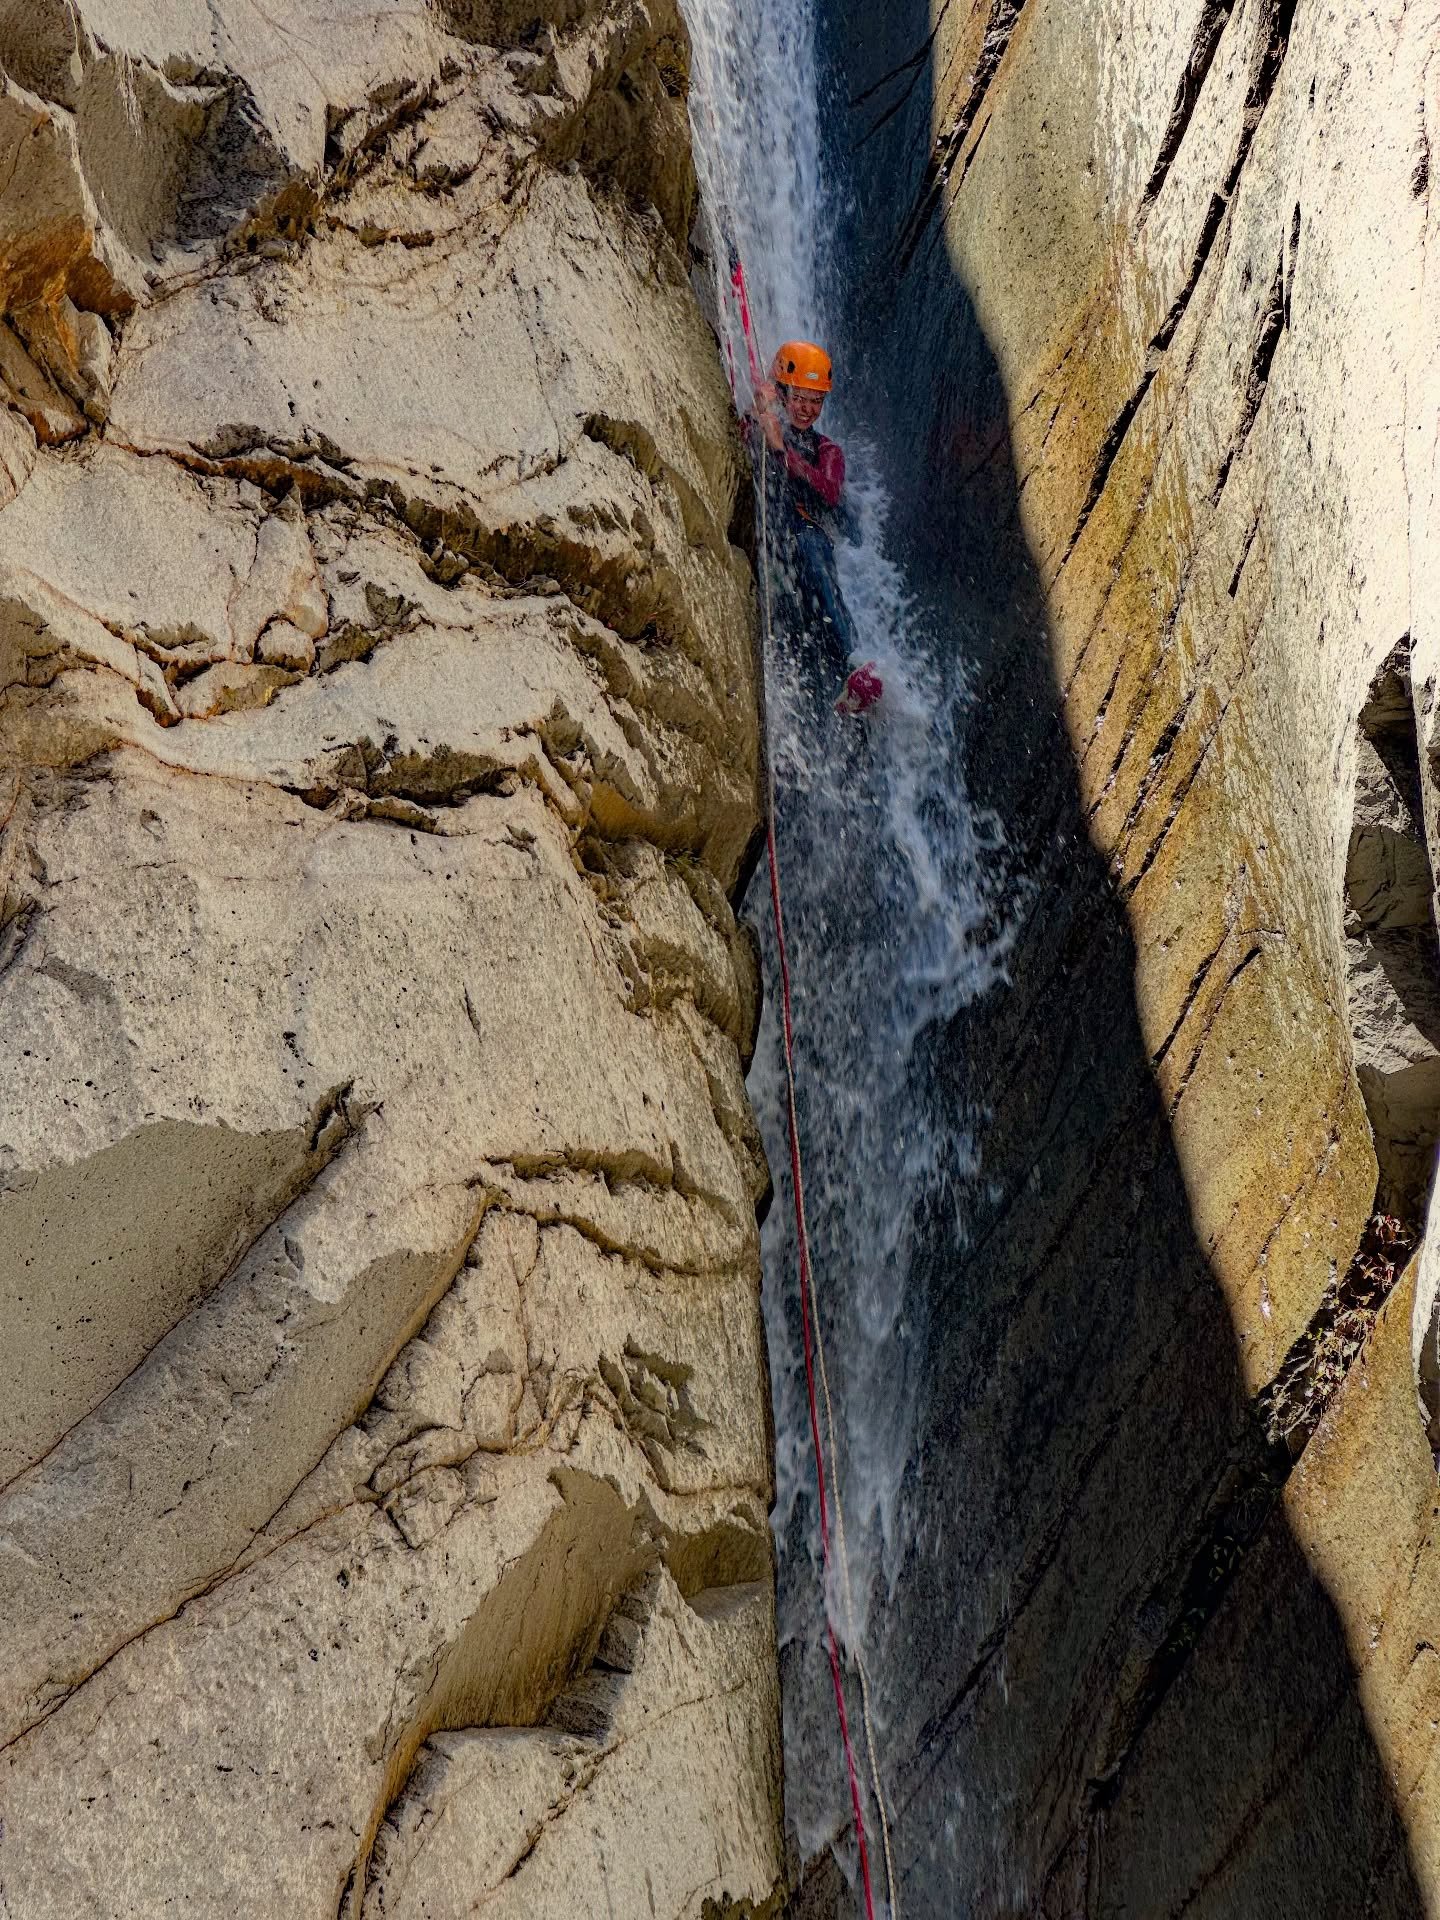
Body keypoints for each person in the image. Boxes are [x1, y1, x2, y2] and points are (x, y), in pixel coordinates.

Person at [747, 340, 881, 716]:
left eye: (816, 401)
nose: (807, 409)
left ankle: (854, 661)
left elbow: (829, 491)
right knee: (794, 648)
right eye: (800, 399)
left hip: (806, 551)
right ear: (784, 394)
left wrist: (782, 451)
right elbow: (741, 440)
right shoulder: (766, 425)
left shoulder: (827, 451)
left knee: (808, 545)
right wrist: (758, 410)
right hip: (772, 555)